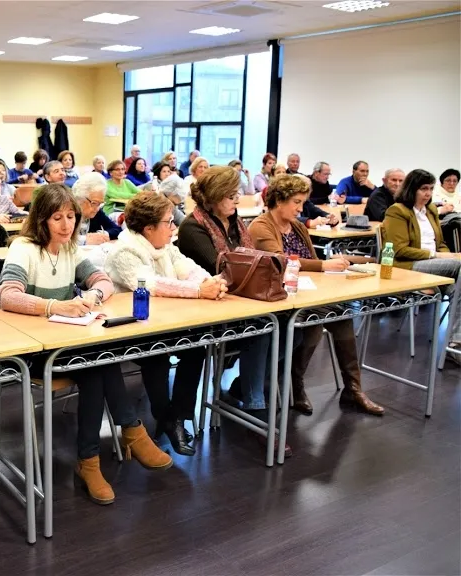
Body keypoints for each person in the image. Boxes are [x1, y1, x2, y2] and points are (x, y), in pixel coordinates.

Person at [0, 183, 172, 505]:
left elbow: (103, 281)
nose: (66, 225)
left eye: (71, 217)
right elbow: (8, 296)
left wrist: (92, 295)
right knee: (97, 363)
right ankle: (129, 431)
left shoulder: (70, 248)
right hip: (34, 349)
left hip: (69, 344)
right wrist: (55, 306)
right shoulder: (24, 247)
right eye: (57, 218)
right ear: (41, 219)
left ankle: (90, 459)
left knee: (95, 366)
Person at [106, 192, 266, 455]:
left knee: (196, 347)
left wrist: (210, 282)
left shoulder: (165, 246)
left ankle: (177, 417)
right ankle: (165, 417)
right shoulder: (125, 251)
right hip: (133, 330)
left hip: (167, 322)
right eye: (168, 222)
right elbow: (152, 285)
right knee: (156, 356)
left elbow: (188, 268)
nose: (173, 227)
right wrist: (199, 291)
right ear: (148, 228)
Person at [175, 169, 291, 455]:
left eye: (237, 193)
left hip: (239, 300)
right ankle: (257, 410)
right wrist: (260, 268)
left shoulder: (236, 221)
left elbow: (248, 261)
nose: (237, 199)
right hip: (207, 308)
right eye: (230, 195)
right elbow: (221, 266)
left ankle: (244, 387)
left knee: (292, 329)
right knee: (264, 329)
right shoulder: (192, 227)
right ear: (213, 197)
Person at [250, 175, 385, 415]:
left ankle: (353, 389)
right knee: (314, 320)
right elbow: (280, 261)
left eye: (303, 202)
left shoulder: (298, 226)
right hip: (279, 297)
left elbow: (310, 261)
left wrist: (329, 265)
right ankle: (296, 384)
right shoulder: (261, 226)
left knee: (342, 316)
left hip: (307, 292)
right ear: (279, 200)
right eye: (296, 202)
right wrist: (323, 265)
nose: (301, 209)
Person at [384, 169, 461, 358]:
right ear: (412, 189)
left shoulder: (431, 210)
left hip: (434, 264)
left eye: (431, 189)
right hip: (407, 265)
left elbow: (440, 243)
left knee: (457, 289)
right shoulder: (397, 211)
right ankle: (455, 344)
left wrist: (447, 255)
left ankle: (454, 344)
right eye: (423, 189)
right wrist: (440, 256)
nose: (428, 193)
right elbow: (399, 250)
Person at [72, 172, 121, 243]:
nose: (97, 208)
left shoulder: (97, 212)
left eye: (100, 204)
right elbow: (61, 239)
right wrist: (85, 240)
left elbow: (117, 230)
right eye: (94, 203)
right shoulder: (68, 213)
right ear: (80, 198)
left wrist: (102, 235)